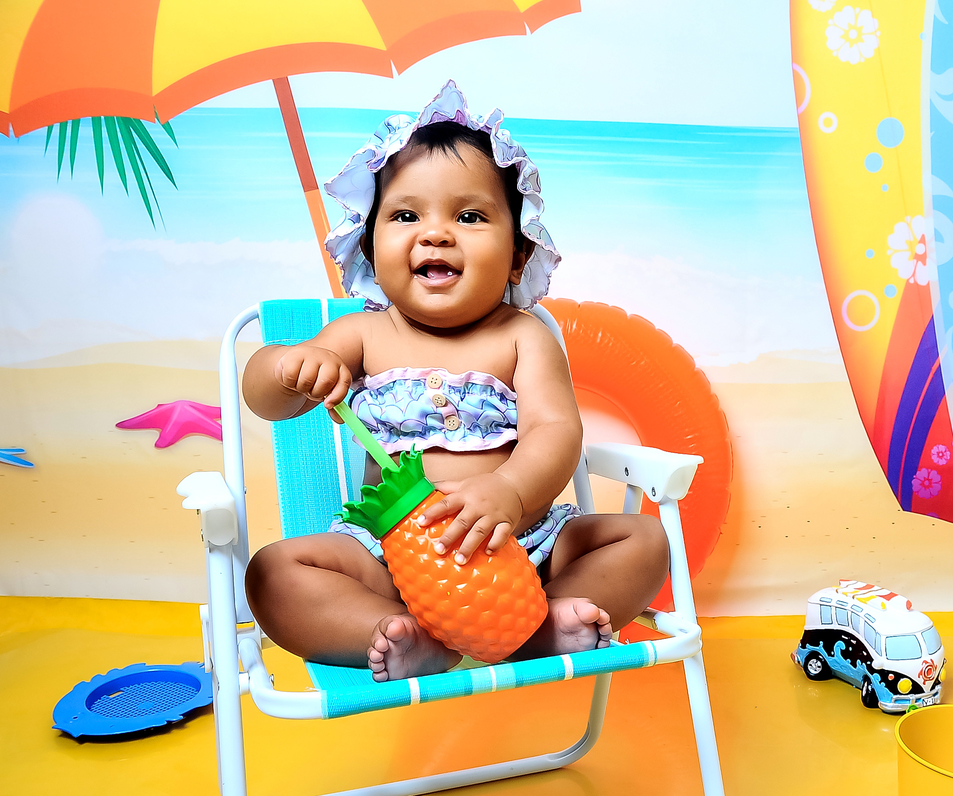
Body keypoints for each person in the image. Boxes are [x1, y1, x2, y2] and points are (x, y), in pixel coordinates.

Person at [241, 81, 669, 682]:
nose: (436, 233)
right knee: (272, 573)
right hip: (389, 556)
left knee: (644, 540)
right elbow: (266, 400)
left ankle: (541, 625)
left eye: (469, 216)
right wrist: (289, 367)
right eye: (406, 215)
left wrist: (512, 490)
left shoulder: (523, 336)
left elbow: (555, 430)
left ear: (518, 256)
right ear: (369, 248)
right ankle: (397, 635)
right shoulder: (361, 335)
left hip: (522, 544)